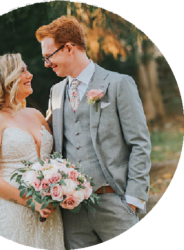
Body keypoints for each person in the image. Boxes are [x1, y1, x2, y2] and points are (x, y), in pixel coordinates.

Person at [35, 15, 151, 248]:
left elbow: (139, 143)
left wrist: (133, 199)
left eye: (49, 56)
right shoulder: (56, 91)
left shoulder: (118, 84)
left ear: (69, 48)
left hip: (115, 203)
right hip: (73, 213)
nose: (47, 63)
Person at [0, 53, 64, 249]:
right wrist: (31, 201)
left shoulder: (36, 115)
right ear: (7, 78)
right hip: (12, 212)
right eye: (23, 70)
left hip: (49, 212)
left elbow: (56, 160)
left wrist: (65, 185)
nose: (29, 75)